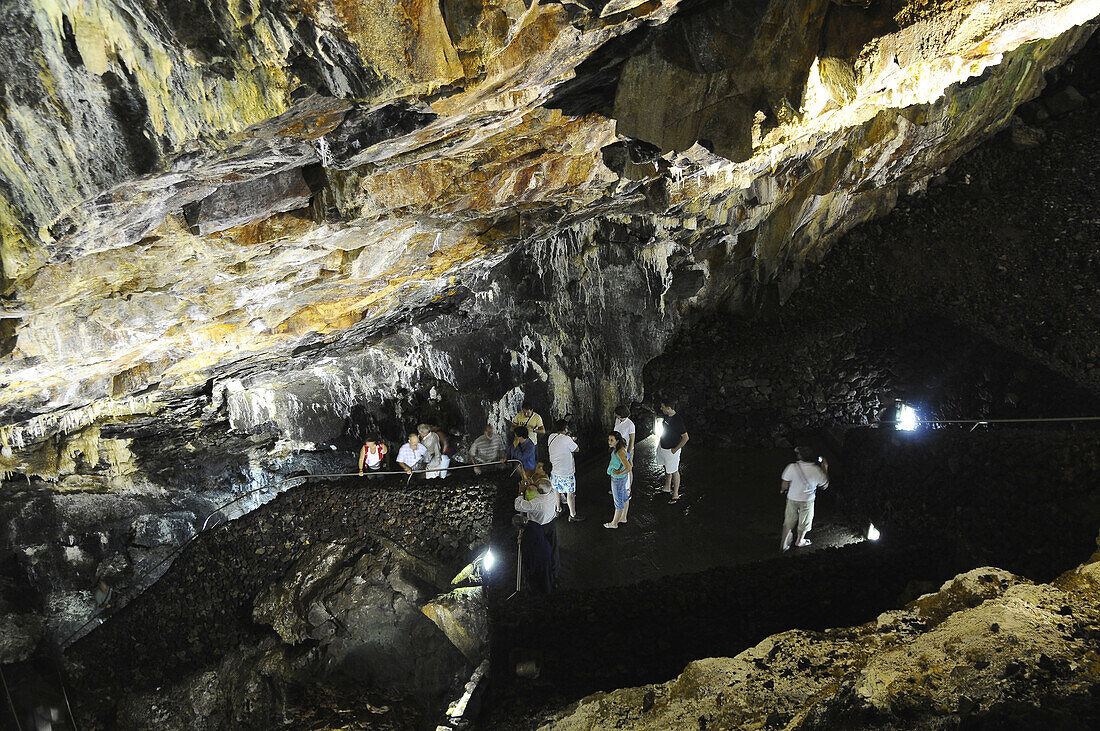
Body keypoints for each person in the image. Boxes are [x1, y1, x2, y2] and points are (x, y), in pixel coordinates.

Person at [514, 466, 560, 594]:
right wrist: (533, 483)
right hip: (551, 523)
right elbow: (544, 485)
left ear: (539, 490)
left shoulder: (536, 503)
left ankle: (546, 576)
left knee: (543, 552)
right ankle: (555, 572)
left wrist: (520, 491)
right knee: (554, 547)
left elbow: (519, 505)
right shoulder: (551, 492)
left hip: (540, 528)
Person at [779, 446, 830, 551]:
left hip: (792, 498)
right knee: (805, 521)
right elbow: (825, 485)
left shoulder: (792, 467)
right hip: (807, 500)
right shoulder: (816, 470)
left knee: (789, 520)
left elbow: (785, 484)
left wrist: (783, 490)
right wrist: (824, 467)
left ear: (800, 456)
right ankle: (800, 541)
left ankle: (783, 544)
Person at [547, 420, 583, 522]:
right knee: (570, 493)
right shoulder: (567, 439)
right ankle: (572, 515)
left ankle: (558, 509)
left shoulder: (551, 437)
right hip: (566, 472)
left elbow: (559, 443)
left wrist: (568, 439)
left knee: (557, 491)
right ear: (565, 429)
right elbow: (576, 449)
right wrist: (572, 440)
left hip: (555, 471)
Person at [657, 398, 689, 503]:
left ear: (668, 408)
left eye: (662, 407)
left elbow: (685, 437)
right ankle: (667, 487)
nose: (661, 408)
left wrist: (675, 449)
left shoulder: (678, 420)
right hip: (663, 446)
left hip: (672, 449)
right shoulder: (667, 416)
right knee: (666, 467)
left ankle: (675, 494)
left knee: (674, 471)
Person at [604, 432, 633, 528]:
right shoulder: (621, 449)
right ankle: (623, 517)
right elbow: (629, 461)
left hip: (618, 480)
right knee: (624, 497)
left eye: (612, 440)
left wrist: (619, 473)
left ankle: (614, 523)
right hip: (621, 478)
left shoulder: (619, 452)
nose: (609, 442)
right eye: (609, 439)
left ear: (617, 441)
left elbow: (629, 467)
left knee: (618, 502)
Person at [613, 405, 636, 521]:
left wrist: (629, 454)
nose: (616, 416)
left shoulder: (630, 425)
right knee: (618, 466)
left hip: (625, 449)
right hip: (617, 448)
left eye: (617, 415)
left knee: (628, 468)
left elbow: (632, 440)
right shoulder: (618, 420)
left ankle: (628, 488)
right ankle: (619, 485)